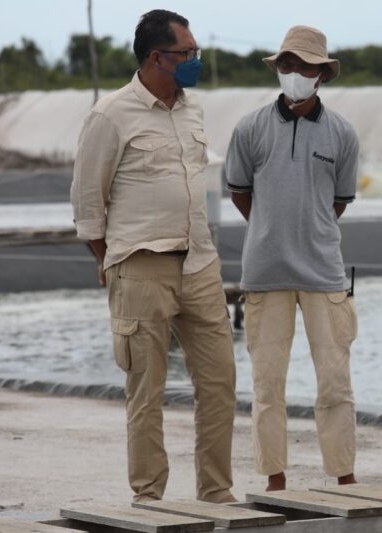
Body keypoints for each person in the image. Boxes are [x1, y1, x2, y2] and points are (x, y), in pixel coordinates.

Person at [70, 9, 237, 504]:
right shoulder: (111, 114)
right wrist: (112, 261)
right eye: (186, 54)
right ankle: (148, 494)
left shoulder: (194, 110)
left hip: (200, 262)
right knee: (147, 389)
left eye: (196, 52)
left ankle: (216, 491)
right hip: (140, 263)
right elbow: (86, 202)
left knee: (220, 381)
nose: (195, 61)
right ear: (155, 57)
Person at [224, 25, 359, 492]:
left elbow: (339, 201)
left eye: (303, 65)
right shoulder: (249, 127)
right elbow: (241, 194)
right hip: (264, 273)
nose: (293, 73)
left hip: (324, 272)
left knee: (335, 383)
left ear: (321, 74)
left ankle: (345, 476)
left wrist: (309, 228)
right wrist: (272, 231)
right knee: (267, 387)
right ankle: (274, 480)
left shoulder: (343, 132)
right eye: (286, 64)